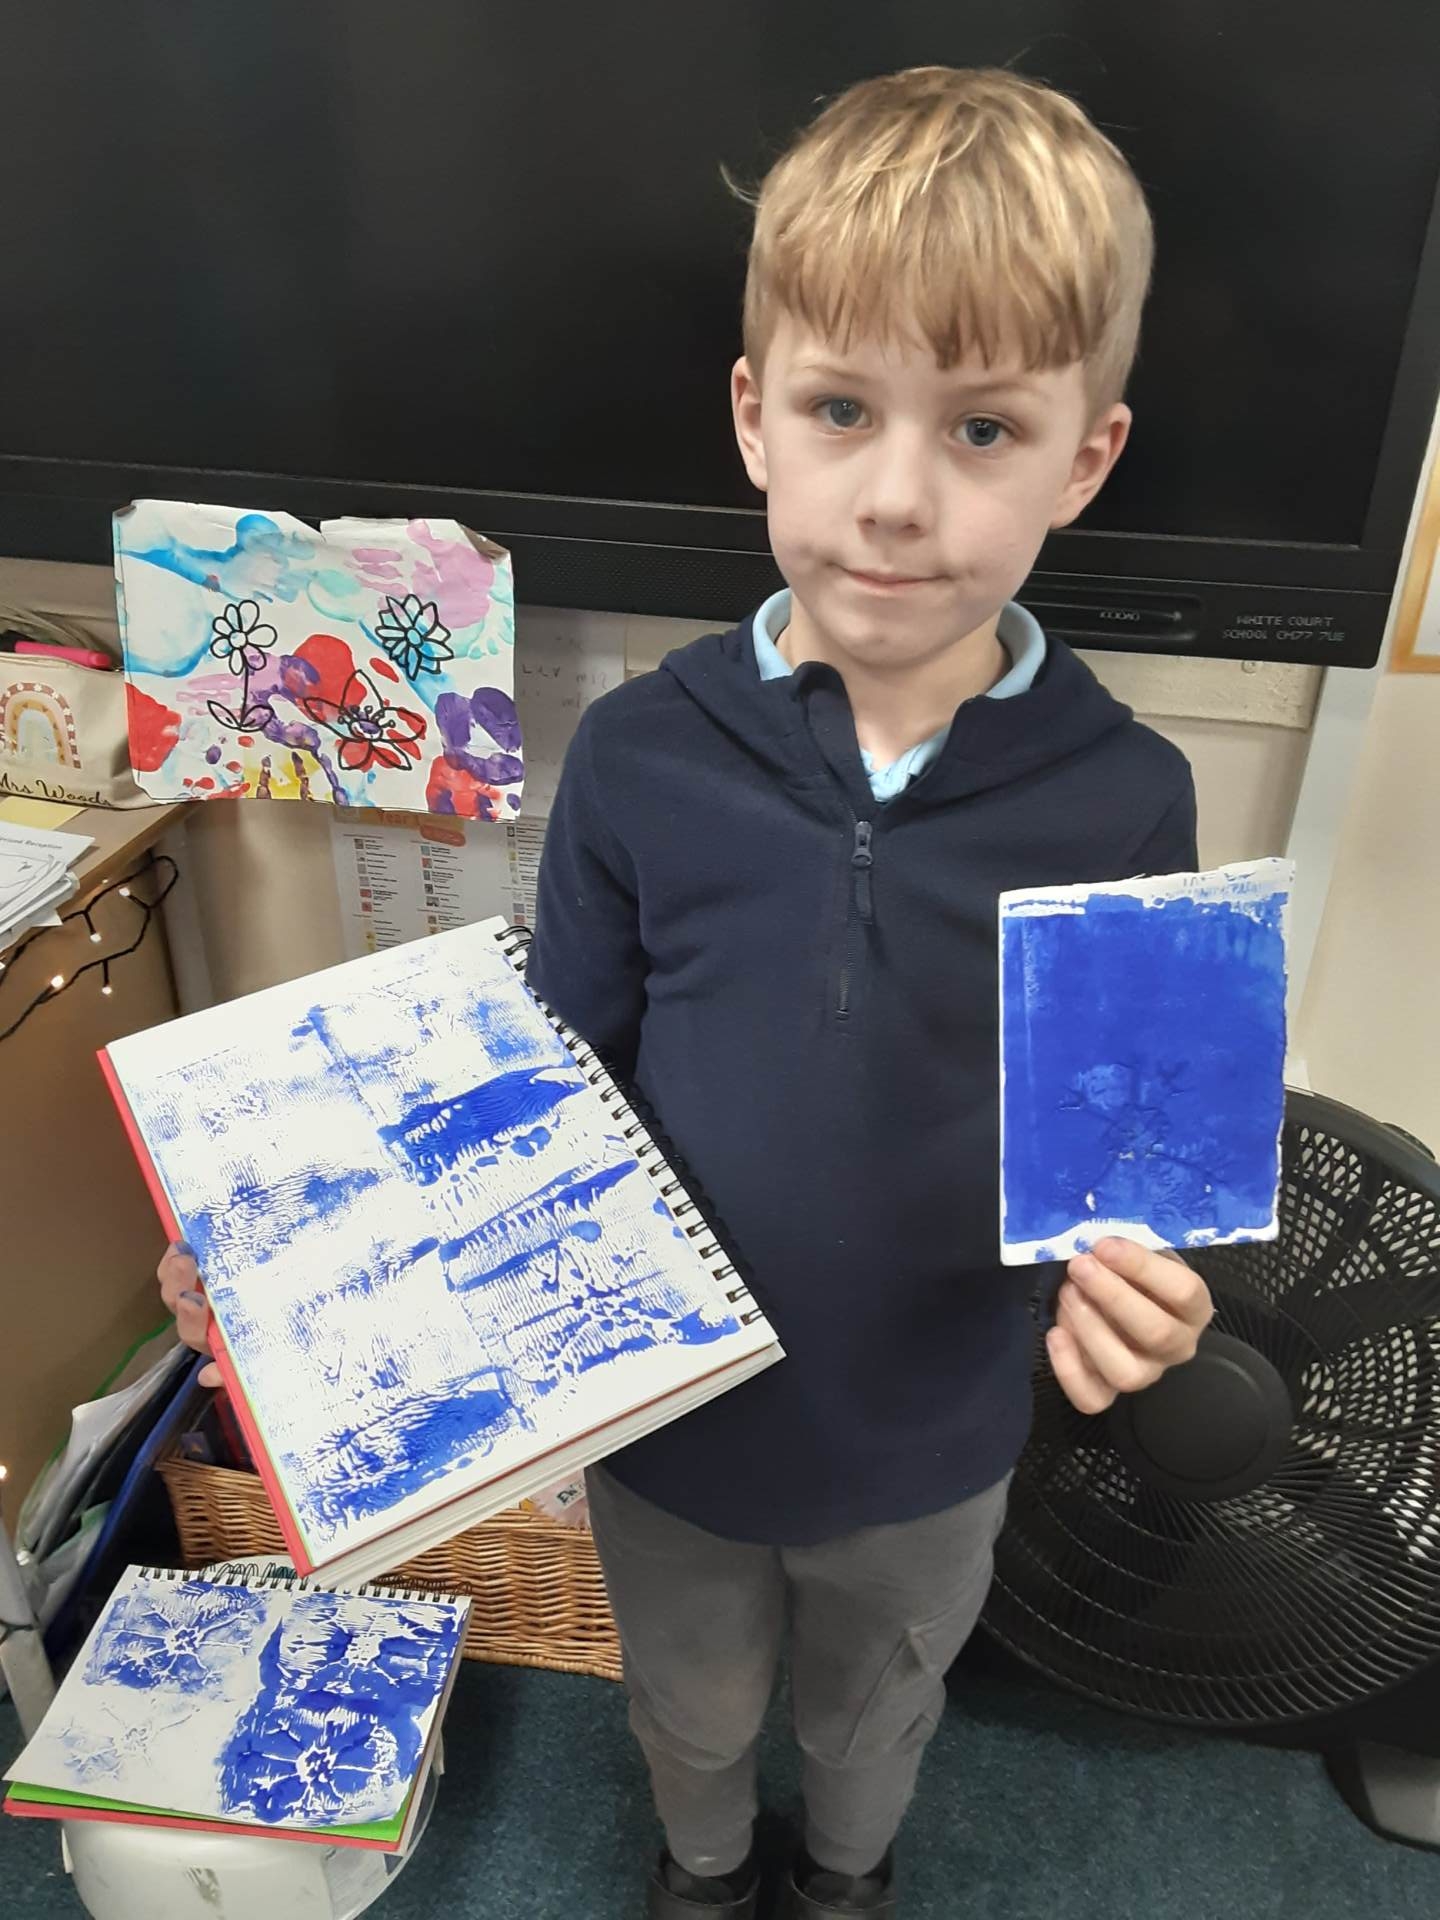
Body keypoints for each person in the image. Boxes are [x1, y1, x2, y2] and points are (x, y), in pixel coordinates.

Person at [159, 63, 1215, 1920]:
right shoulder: (644, 756)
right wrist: (288, 1269)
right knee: (694, 1709)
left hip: (934, 1435)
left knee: (876, 1715)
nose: (896, 498)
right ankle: (708, 1877)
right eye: (841, 409)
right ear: (754, 418)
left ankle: (847, 1884)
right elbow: (538, 1087)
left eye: (984, 429)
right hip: (667, 1431)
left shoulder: (1131, 796)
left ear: (1086, 458)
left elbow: (1132, 1169)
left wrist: (1150, 1283)